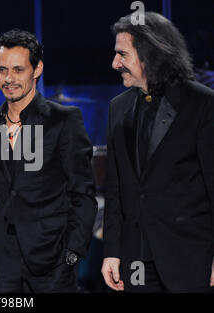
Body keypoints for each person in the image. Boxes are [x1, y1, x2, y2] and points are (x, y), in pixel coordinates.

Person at [0, 29, 97, 293]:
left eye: (18, 70)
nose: (9, 79)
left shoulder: (63, 119)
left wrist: (72, 253)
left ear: (37, 69)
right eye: (2, 70)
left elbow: (83, 193)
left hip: (53, 257)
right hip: (2, 259)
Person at [102, 12, 214, 293]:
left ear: (149, 53)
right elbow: (116, 189)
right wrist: (112, 251)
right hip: (137, 260)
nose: (115, 63)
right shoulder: (118, 108)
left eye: (122, 54)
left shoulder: (202, 104)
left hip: (189, 258)